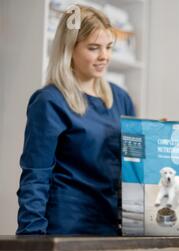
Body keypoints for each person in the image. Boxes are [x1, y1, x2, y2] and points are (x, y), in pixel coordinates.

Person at [16, 5, 136, 235]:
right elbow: (36, 176)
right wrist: (31, 241)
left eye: (109, 47)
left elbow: (131, 170)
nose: (105, 56)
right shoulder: (49, 101)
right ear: (69, 49)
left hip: (111, 228)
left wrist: (155, 140)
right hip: (65, 229)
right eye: (94, 48)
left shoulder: (120, 99)